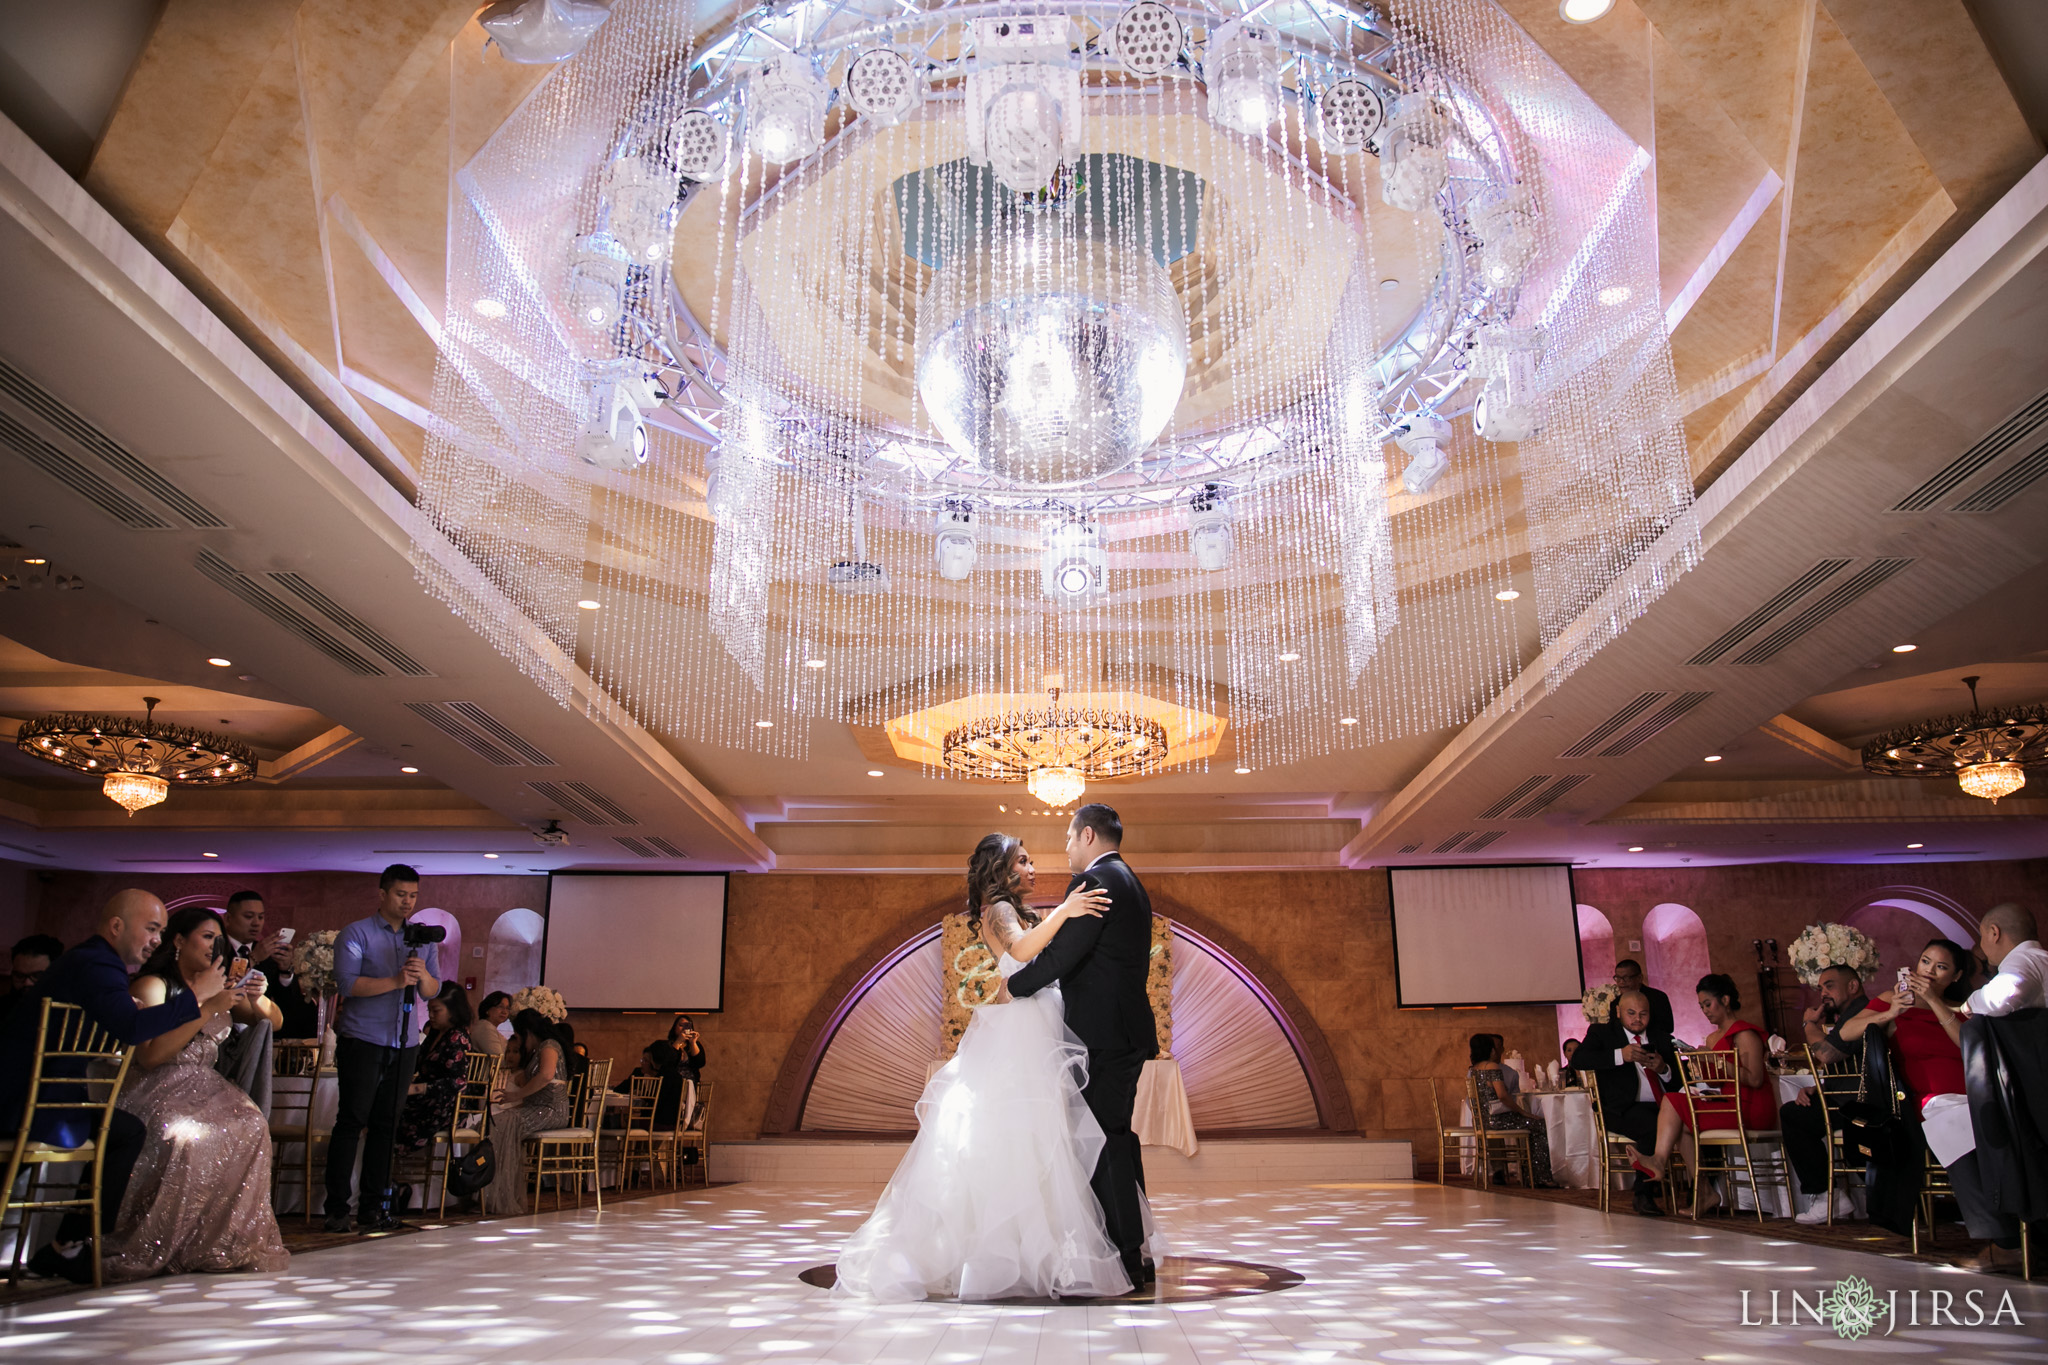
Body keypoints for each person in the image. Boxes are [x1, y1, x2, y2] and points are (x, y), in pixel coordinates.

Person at [835, 830, 1122, 1301]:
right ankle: (1006, 1251)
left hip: (1035, 1021)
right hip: (1022, 1030)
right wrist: (1066, 912)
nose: (1033, 869)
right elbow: (1022, 952)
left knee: (1039, 1136)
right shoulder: (1000, 910)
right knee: (1020, 1136)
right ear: (1004, 871)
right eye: (1024, 861)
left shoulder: (1014, 909)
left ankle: (1038, 1251)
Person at [0, 890, 237, 1283]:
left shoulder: (92, 962)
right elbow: (131, 1031)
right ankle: (69, 1245)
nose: (157, 940)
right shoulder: (99, 964)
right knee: (127, 1131)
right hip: (28, 1101)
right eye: (151, 929)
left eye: (160, 930)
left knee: (125, 1129)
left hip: (35, 1096)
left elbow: (117, 1025)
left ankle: (67, 1245)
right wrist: (199, 996)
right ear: (116, 926)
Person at [1010, 802, 1162, 1288]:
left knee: (1104, 1143)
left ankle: (1125, 1257)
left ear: (1090, 836)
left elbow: (1062, 954)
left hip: (1102, 1036)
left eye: (1070, 840)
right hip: (1127, 1033)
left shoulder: (1095, 883)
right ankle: (1137, 1249)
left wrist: (1013, 986)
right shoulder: (1132, 883)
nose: (1067, 849)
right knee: (1118, 1138)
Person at [104, 906, 289, 1279]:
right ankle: (162, 1238)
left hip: (205, 1085)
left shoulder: (220, 985)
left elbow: (274, 1021)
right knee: (189, 1135)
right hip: (158, 1087)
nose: (213, 946)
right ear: (178, 941)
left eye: (218, 939)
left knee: (251, 1124)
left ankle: (218, 1240)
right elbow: (153, 1056)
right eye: (206, 937)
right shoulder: (155, 985)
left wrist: (257, 995)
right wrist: (207, 1008)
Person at [1836, 938, 2022, 1269]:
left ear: (1955, 975)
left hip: (1978, 1094)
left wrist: (1935, 1001)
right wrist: (1890, 1013)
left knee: (1998, 1130)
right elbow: (1847, 1032)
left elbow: (1967, 1045)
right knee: (1951, 1127)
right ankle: (2003, 1242)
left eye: (1940, 967)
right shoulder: (1893, 1001)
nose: (1929, 971)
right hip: (1932, 1100)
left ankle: (2022, 1233)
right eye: (1925, 962)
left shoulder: (1963, 1006)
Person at [323, 864, 440, 1234]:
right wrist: (393, 980)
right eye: (401, 894)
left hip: (405, 1041)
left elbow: (432, 991)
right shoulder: (356, 933)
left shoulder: (422, 938)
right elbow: (347, 983)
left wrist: (423, 977)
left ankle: (374, 1207)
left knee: (387, 1126)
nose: (408, 902)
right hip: (362, 1039)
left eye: (413, 896)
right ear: (383, 894)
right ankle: (337, 1208)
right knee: (352, 1121)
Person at [1628, 974, 1776, 1215]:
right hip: (1725, 1103)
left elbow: (1755, 1079)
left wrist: (1715, 1061)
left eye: (1708, 1004)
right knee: (1682, 1122)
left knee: (1673, 1101)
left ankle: (1658, 1160)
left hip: (1750, 1106)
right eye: (1702, 1006)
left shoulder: (1744, 1034)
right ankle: (1704, 1192)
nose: (1705, 1011)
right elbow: (1717, 1081)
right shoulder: (1713, 1038)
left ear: (1725, 1000)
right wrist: (1700, 1070)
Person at [1567, 990, 1677, 1214]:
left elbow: (1679, 1077)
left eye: (1643, 1014)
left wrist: (1664, 1069)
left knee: (1692, 1122)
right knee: (1653, 1126)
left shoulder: (1661, 1036)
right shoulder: (1602, 1033)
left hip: (1662, 1106)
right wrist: (1620, 1055)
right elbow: (1579, 1059)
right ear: (1618, 1012)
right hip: (1620, 1107)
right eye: (1631, 1013)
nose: (1638, 1019)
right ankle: (1643, 1195)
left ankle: (1701, 1192)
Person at [1782, 962, 1871, 1223]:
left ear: (1853, 986)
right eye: (1820, 988)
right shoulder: (1847, 1016)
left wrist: (1809, 1024)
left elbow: (1827, 1054)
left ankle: (1825, 1196)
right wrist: (1817, 1089)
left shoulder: (1862, 1012)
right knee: (1797, 1111)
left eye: (1829, 986)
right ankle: (1829, 1196)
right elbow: (1847, 1064)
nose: (1823, 994)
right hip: (1844, 1098)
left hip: (1860, 1103)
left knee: (1793, 1116)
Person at [480, 1009, 572, 1215]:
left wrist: (515, 1095)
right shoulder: (541, 1048)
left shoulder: (549, 1045)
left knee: (503, 1124)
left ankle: (502, 1196)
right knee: (498, 1122)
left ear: (528, 1033)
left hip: (550, 1110)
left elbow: (546, 1075)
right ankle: (493, 1193)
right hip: (538, 1108)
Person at [212, 890, 288, 1112]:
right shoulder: (214, 949)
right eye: (248, 916)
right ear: (228, 918)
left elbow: (282, 1012)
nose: (256, 923)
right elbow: (224, 985)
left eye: (261, 917)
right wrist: (254, 959)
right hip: (217, 1039)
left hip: (251, 1038)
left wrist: (286, 971)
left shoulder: (268, 953)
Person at [1469, 1034, 1559, 1189]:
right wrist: (1522, 1112)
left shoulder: (1474, 1069)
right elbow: (1503, 1095)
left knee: (1533, 1125)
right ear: (1490, 1050)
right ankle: (1539, 1176)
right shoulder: (1492, 1067)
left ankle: (1530, 1173)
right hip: (1497, 1120)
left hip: (1483, 1120)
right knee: (1538, 1124)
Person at [396, 983, 474, 1157]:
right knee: (385, 1108)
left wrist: (418, 1088)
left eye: (436, 1011)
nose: (430, 1015)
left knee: (393, 1117)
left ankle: (393, 1173)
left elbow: (457, 1082)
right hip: (426, 1099)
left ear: (452, 1011)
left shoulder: (458, 1038)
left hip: (444, 1104)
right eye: (429, 1010)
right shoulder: (436, 1033)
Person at [1962, 903, 2046, 1017]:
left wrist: (1970, 1004)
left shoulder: (2023, 959)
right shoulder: (2040, 959)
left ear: (1994, 933)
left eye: (1982, 936)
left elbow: (2001, 997)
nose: (1981, 945)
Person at [0, 934, 63, 1015]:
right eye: (19, 976)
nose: (27, 983)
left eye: (37, 976)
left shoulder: (67, 1013)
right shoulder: (3, 1007)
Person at [1612, 960, 1675, 1040]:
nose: (1621, 982)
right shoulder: (1615, 1003)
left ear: (1639, 978)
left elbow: (1668, 1027)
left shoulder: (1658, 997)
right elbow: (1614, 1031)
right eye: (1618, 978)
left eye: (1626, 978)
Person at [470, 991, 512, 1057]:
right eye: (500, 1006)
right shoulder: (485, 1028)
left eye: (507, 1008)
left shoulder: (489, 1027)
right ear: (487, 1009)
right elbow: (497, 1059)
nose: (504, 1011)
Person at [668, 1013, 706, 1080]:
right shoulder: (668, 1045)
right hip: (672, 1081)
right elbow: (668, 1061)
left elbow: (700, 1063)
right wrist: (678, 1041)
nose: (683, 1029)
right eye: (681, 1025)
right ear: (674, 1027)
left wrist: (693, 1043)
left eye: (687, 1026)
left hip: (691, 1080)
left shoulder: (695, 1044)